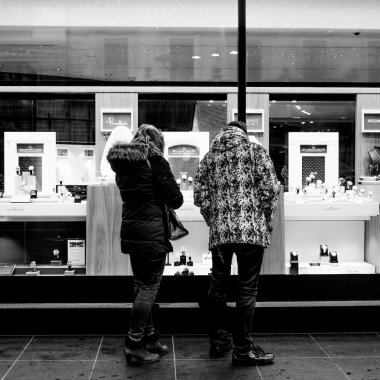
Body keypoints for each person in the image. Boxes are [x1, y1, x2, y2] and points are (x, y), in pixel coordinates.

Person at [194, 120, 278, 366]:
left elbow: (200, 196)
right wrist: (264, 217)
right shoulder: (255, 151)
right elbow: (270, 189)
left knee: (218, 285)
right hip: (251, 231)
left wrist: (215, 220)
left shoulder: (209, 158)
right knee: (247, 287)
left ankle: (218, 339)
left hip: (220, 234)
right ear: (244, 133)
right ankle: (242, 348)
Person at [107, 124, 183, 364]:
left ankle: (149, 339)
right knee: (149, 288)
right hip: (151, 233)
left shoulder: (123, 162)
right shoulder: (155, 159)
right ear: (157, 142)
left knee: (141, 285)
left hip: (131, 230)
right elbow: (176, 199)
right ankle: (134, 343)